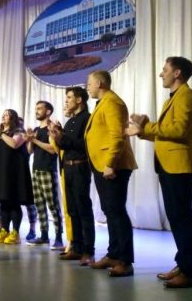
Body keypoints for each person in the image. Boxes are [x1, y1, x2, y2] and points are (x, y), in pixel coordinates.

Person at [126, 56, 192, 288]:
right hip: (170, 166)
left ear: (177, 73)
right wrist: (142, 130)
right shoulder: (176, 97)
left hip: (179, 167)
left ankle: (188, 272)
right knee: (177, 218)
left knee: (182, 218)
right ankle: (182, 264)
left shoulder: (187, 96)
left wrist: (145, 126)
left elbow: (179, 130)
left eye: (165, 70)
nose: (161, 74)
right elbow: (166, 133)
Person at [84, 70, 137, 277]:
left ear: (99, 83)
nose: (87, 87)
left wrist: (110, 163)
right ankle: (114, 254)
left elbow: (118, 136)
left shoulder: (113, 102)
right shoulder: (103, 103)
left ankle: (125, 260)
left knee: (116, 212)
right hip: (103, 165)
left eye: (89, 83)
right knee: (110, 211)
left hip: (113, 166)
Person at [49, 87, 94, 266]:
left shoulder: (87, 119)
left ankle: (88, 251)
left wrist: (62, 138)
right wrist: (58, 134)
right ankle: (76, 247)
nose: (66, 101)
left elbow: (86, 144)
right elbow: (64, 145)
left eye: (69, 97)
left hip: (80, 167)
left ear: (79, 100)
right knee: (72, 210)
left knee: (83, 209)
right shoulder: (70, 122)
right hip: (67, 168)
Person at [0, 109, 34, 245]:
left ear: (13, 119)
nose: (4, 116)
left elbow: (14, 144)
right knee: (4, 202)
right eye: (3, 114)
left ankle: (15, 232)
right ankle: (4, 230)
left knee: (14, 202)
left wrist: (0, 133)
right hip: (0, 171)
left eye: (7, 115)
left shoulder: (19, 131)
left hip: (14, 172)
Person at [25, 101, 64, 250]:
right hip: (36, 170)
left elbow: (53, 149)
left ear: (48, 111)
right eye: (36, 108)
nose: (36, 111)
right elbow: (30, 151)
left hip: (48, 170)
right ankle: (44, 236)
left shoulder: (51, 128)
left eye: (40, 108)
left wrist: (34, 140)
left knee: (53, 205)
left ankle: (59, 237)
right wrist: (30, 140)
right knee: (39, 205)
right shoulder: (36, 129)